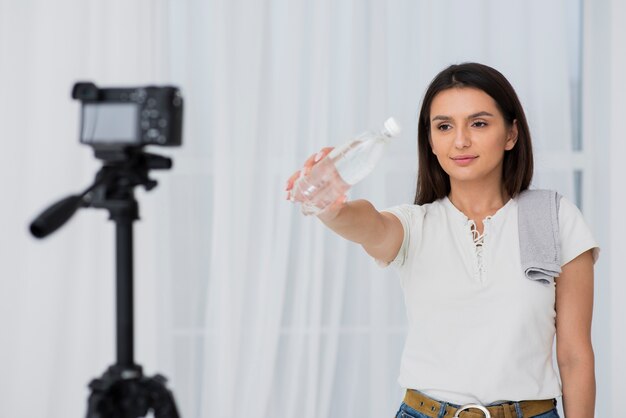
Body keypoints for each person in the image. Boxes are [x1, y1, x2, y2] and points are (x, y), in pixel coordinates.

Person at [285, 62, 599, 418]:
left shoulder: (554, 218)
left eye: (479, 123)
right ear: (431, 141)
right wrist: (330, 205)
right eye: (444, 126)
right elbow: (368, 223)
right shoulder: (414, 225)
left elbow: (574, 357)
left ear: (511, 134)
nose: (460, 140)